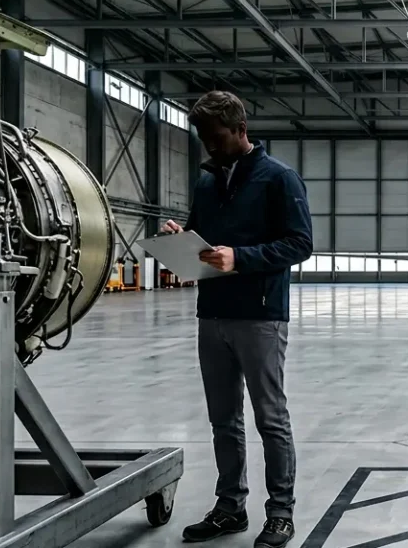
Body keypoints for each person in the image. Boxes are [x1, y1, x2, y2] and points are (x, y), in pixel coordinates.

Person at [161, 90, 312, 548]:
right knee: (223, 419)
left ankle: (280, 512)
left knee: (270, 418)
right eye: (203, 138)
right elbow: (206, 240)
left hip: (260, 316)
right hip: (213, 313)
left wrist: (240, 258)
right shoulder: (207, 180)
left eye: (216, 137)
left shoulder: (279, 178)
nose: (209, 146)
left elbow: (300, 244)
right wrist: (181, 241)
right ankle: (230, 508)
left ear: (240, 129)